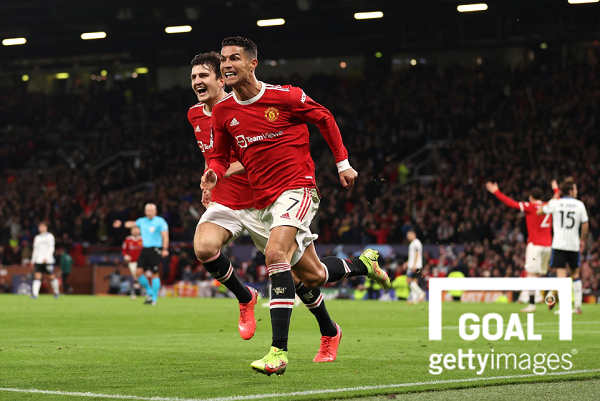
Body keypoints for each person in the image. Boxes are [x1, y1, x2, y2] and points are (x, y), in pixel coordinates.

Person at [202, 36, 390, 376]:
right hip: (263, 203)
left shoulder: (285, 96)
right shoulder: (223, 112)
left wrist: (343, 163)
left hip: (297, 189)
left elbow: (325, 118)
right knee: (313, 275)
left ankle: (278, 352)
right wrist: (213, 174)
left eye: (234, 58)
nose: (227, 64)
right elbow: (219, 156)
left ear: (252, 63)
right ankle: (364, 264)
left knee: (276, 254)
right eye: (224, 59)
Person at [486, 181, 557, 312]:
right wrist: (556, 189)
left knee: (531, 274)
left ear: (531, 197)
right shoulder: (549, 205)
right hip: (548, 246)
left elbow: (511, 203)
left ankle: (532, 304)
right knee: (542, 273)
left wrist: (496, 192)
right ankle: (551, 294)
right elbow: (556, 197)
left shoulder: (530, 207)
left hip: (535, 246)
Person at [538, 178, 589, 314]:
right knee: (575, 274)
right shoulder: (579, 205)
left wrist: (554, 197)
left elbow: (540, 211)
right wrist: (582, 240)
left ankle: (564, 308)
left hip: (559, 244)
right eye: (575, 189)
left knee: (561, 277)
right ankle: (577, 306)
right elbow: (585, 224)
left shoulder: (556, 203)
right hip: (573, 244)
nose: (577, 191)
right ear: (570, 191)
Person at [113, 204, 169, 306]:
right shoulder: (142, 221)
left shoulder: (160, 222)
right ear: (145, 211)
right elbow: (131, 224)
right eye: (147, 210)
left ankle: (154, 298)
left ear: (155, 211)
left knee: (154, 274)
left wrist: (165, 249)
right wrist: (121, 223)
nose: (149, 212)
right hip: (145, 249)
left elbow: (165, 236)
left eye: (151, 210)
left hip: (155, 249)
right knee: (138, 273)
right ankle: (149, 292)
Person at [30, 222, 60, 299]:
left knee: (51, 276)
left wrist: (46, 257)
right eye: (40, 227)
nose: (41, 228)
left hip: (48, 260)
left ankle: (56, 292)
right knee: (37, 276)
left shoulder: (50, 236)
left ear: (46, 228)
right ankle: (35, 294)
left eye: (43, 227)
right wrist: (33, 260)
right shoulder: (37, 238)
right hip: (38, 260)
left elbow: (51, 248)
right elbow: (35, 249)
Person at [122, 226, 143, 299]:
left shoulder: (143, 239)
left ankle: (142, 291)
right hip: (132, 262)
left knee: (140, 277)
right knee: (135, 276)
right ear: (131, 231)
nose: (135, 231)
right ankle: (135, 292)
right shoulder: (128, 239)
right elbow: (124, 250)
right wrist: (126, 256)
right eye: (134, 230)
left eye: (137, 230)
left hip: (142, 262)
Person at [405, 230, 425, 304]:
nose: (408, 237)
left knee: (409, 280)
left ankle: (421, 293)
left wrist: (414, 265)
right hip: (414, 265)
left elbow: (417, 254)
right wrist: (407, 263)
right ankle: (414, 299)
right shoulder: (413, 243)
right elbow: (412, 256)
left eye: (409, 235)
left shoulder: (416, 242)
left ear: (414, 235)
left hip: (414, 266)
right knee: (414, 281)